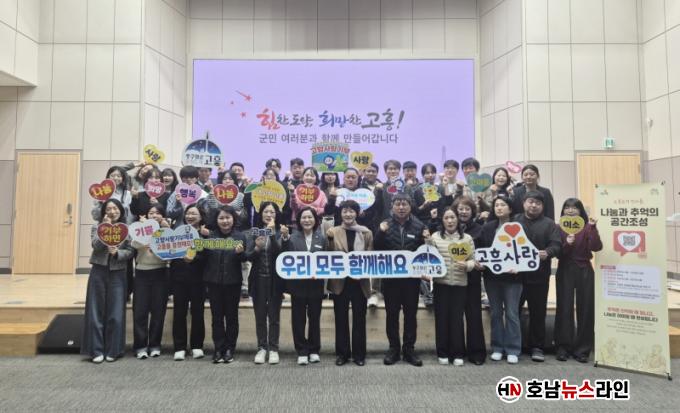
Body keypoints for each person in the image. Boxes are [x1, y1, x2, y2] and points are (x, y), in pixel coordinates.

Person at [187, 205, 248, 364]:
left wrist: (240, 253)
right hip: (213, 282)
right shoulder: (209, 236)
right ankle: (219, 348)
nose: (225, 221)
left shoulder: (240, 236)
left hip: (233, 282)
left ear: (233, 219)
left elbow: (244, 259)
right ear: (216, 220)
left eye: (228, 217)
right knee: (217, 318)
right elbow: (201, 256)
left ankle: (229, 349)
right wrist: (191, 257)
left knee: (232, 317)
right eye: (221, 218)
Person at [374, 193, 427, 367]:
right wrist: (380, 233)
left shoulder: (420, 226)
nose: (401, 207)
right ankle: (394, 349)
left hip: (412, 280)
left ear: (410, 207)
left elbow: (426, 253)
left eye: (405, 204)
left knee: (411, 315)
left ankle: (409, 350)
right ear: (392, 207)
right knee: (392, 315)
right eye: (398, 204)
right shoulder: (385, 224)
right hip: (391, 280)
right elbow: (376, 249)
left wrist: (428, 240)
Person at [81, 199, 134, 363]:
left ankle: (113, 350)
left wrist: (117, 253)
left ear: (121, 211)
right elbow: (96, 246)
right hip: (98, 270)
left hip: (118, 273)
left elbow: (130, 251)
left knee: (116, 313)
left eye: (115, 208)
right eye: (109, 209)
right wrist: (104, 229)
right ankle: (96, 350)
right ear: (104, 211)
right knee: (95, 311)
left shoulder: (126, 229)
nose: (112, 211)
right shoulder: (96, 227)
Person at [425, 206, 476, 366]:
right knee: (441, 319)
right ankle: (442, 352)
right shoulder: (435, 237)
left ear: (458, 219)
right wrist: (427, 242)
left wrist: (467, 265)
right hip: (441, 284)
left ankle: (458, 353)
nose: (450, 221)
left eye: (452, 217)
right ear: (442, 220)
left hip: (460, 284)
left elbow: (473, 260)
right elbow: (429, 258)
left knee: (457, 319)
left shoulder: (467, 238)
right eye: (446, 218)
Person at [515, 191, 562, 362]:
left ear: (542, 206)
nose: (533, 205)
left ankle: (537, 347)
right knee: (514, 312)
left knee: (538, 312)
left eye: (538, 203)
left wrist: (548, 252)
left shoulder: (550, 224)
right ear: (524, 203)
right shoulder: (514, 221)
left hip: (539, 276)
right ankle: (515, 345)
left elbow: (557, 245)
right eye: (530, 201)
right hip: (516, 277)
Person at [554, 198, 602, 363]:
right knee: (564, 308)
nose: (570, 210)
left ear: (580, 210)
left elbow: (596, 247)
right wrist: (567, 244)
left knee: (586, 308)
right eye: (567, 207)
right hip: (565, 269)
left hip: (584, 269)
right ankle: (563, 347)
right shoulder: (558, 227)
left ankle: (583, 349)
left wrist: (593, 228)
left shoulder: (587, 226)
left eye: (574, 207)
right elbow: (557, 252)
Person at [326, 200, 373, 366]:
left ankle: (359, 355)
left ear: (357, 213)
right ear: (340, 214)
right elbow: (328, 254)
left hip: (360, 282)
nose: (348, 214)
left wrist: (361, 272)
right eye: (345, 211)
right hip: (340, 282)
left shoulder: (366, 232)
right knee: (340, 319)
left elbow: (370, 256)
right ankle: (342, 354)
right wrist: (329, 240)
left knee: (359, 319)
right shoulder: (333, 231)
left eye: (351, 211)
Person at [480, 195, 523, 364]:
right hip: (492, 277)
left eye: (503, 205)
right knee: (496, 313)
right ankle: (497, 347)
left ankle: (513, 349)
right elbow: (482, 248)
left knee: (512, 313)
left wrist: (520, 266)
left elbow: (526, 249)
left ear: (510, 208)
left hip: (513, 277)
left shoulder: (519, 226)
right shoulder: (488, 227)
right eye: (496, 205)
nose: (499, 208)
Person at [283, 207, 326, 365]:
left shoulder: (322, 238)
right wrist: (284, 239)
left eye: (310, 217)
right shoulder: (292, 238)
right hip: (298, 285)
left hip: (316, 284)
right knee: (298, 319)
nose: (307, 220)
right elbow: (285, 257)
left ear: (315, 220)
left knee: (314, 318)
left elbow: (326, 260)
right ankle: (301, 350)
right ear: (299, 220)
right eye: (304, 217)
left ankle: (314, 349)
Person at [248, 202, 287, 365]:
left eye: (272, 212)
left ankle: (274, 349)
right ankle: (262, 348)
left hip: (275, 280)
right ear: (261, 214)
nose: (269, 214)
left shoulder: (281, 231)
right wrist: (257, 248)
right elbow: (248, 256)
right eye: (266, 211)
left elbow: (280, 254)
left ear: (276, 215)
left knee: (274, 316)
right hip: (258, 279)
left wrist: (271, 234)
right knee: (260, 316)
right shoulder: (254, 232)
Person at [131, 204, 170, 359]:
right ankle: (140, 346)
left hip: (161, 272)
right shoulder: (140, 229)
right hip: (142, 272)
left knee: (158, 312)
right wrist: (145, 237)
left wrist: (166, 229)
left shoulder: (166, 230)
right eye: (151, 212)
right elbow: (134, 244)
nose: (154, 215)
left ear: (162, 216)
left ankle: (155, 345)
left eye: (157, 213)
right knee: (140, 311)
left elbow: (172, 250)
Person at [171, 205, 207, 361]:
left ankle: (197, 346)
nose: (190, 216)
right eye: (188, 213)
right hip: (179, 278)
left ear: (201, 217)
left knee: (198, 312)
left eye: (194, 214)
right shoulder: (178, 233)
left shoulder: (204, 234)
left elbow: (207, 256)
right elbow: (170, 252)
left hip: (199, 279)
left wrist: (194, 258)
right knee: (179, 312)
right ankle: (179, 347)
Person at [454, 196, 487, 364]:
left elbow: (485, 252)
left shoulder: (480, 229)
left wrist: (483, 264)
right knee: (456, 316)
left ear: (473, 212)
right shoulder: (449, 228)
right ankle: (457, 351)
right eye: (460, 209)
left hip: (473, 276)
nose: (463, 212)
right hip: (454, 277)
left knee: (474, 315)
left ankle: (477, 353)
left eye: (467, 209)